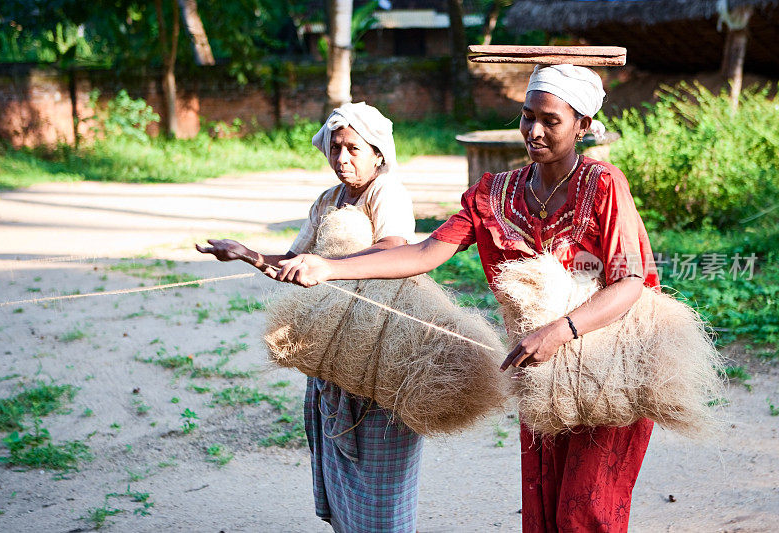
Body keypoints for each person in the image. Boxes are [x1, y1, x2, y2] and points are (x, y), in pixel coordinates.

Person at [272, 65, 660, 532]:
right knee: (544, 504)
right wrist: (329, 267)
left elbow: (630, 281)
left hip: (611, 366)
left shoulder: (603, 184)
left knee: (587, 512)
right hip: (544, 374)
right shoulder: (497, 193)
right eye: (526, 115)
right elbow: (424, 252)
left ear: (582, 126)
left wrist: (558, 332)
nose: (534, 130)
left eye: (551, 120)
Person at [196, 102, 424, 532]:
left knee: (380, 476)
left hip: (380, 350)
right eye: (336, 148)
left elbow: (394, 247)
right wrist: (245, 253)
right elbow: (296, 262)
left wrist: (327, 265)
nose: (343, 159)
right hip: (333, 351)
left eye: (354, 149)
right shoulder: (328, 200)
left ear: (378, 153)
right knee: (341, 471)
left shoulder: (387, 192)